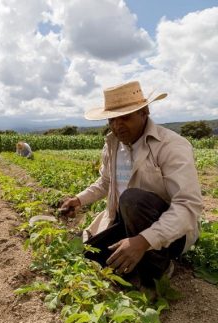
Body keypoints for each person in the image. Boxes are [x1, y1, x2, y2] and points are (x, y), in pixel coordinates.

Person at [60, 81, 202, 288]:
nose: (118, 125)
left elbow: (188, 206)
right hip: (126, 223)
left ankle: (158, 269)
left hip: (169, 232)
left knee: (133, 199)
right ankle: (134, 255)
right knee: (88, 261)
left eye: (125, 117)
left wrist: (143, 241)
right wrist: (79, 199)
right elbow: (106, 182)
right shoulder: (113, 144)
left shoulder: (171, 146)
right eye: (112, 119)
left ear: (144, 112)